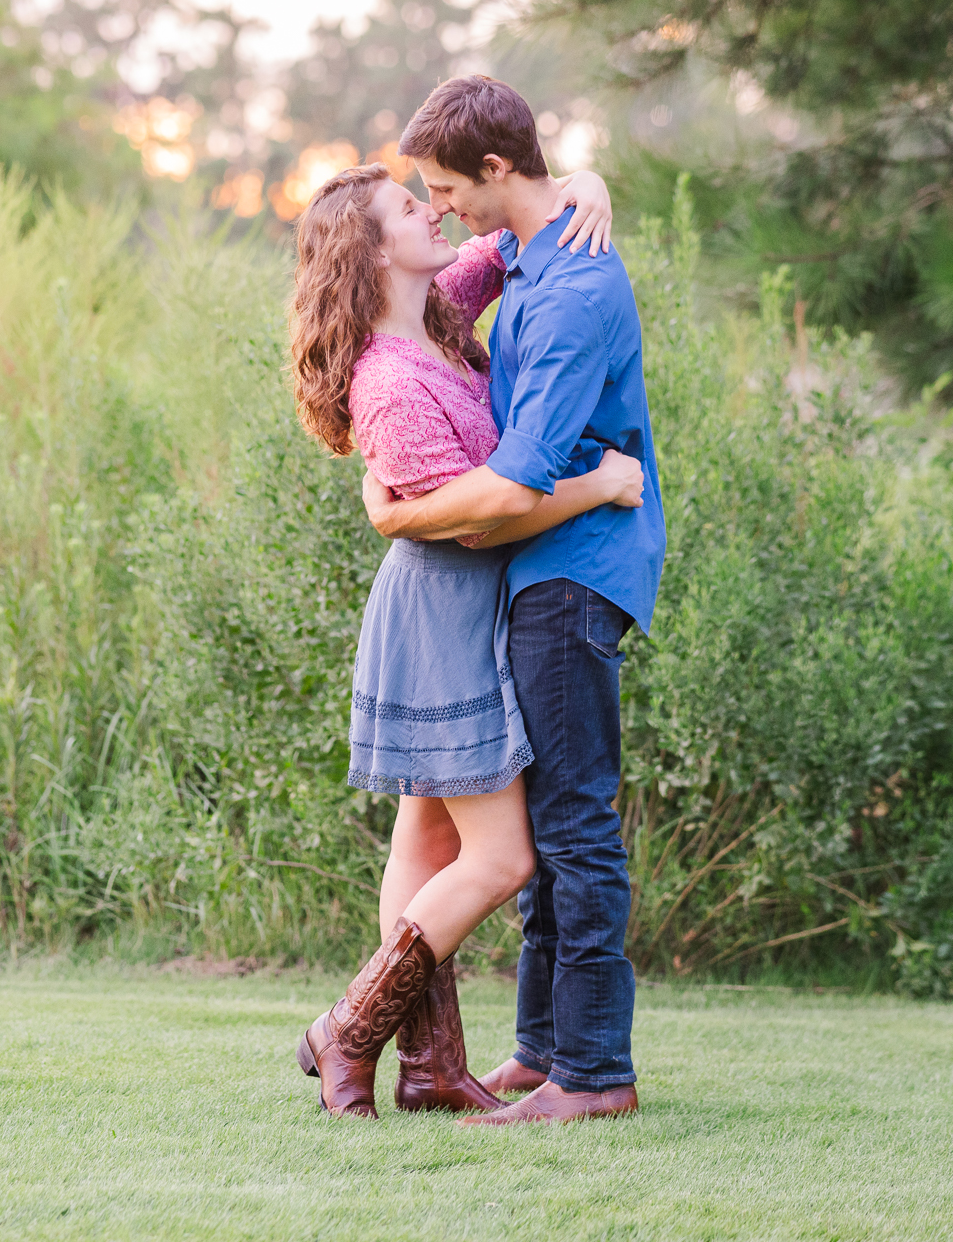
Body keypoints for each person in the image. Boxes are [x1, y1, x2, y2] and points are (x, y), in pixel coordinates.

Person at [287, 158, 645, 1120]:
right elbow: (479, 521)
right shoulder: (389, 382)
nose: (431, 208)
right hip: (442, 611)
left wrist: (587, 179)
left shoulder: (440, 304)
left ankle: (431, 1065)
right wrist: (599, 486)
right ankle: (348, 1030)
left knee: (428, 831)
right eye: (411, 206)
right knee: (502, 859)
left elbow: (514, 214)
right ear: (373, 252)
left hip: (464, 601)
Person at [361, 75, 666, 1126]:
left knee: (574, 828)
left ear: (496, 169)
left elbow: (517, 481)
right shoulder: (532, 260)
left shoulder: (573, 286)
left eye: (445, 186)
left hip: (572, 569)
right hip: (540, 572)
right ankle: (541, 1049)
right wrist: (583, 176)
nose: (436, 205)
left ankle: (593, 1072)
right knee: (546, 825)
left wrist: (398, 515)